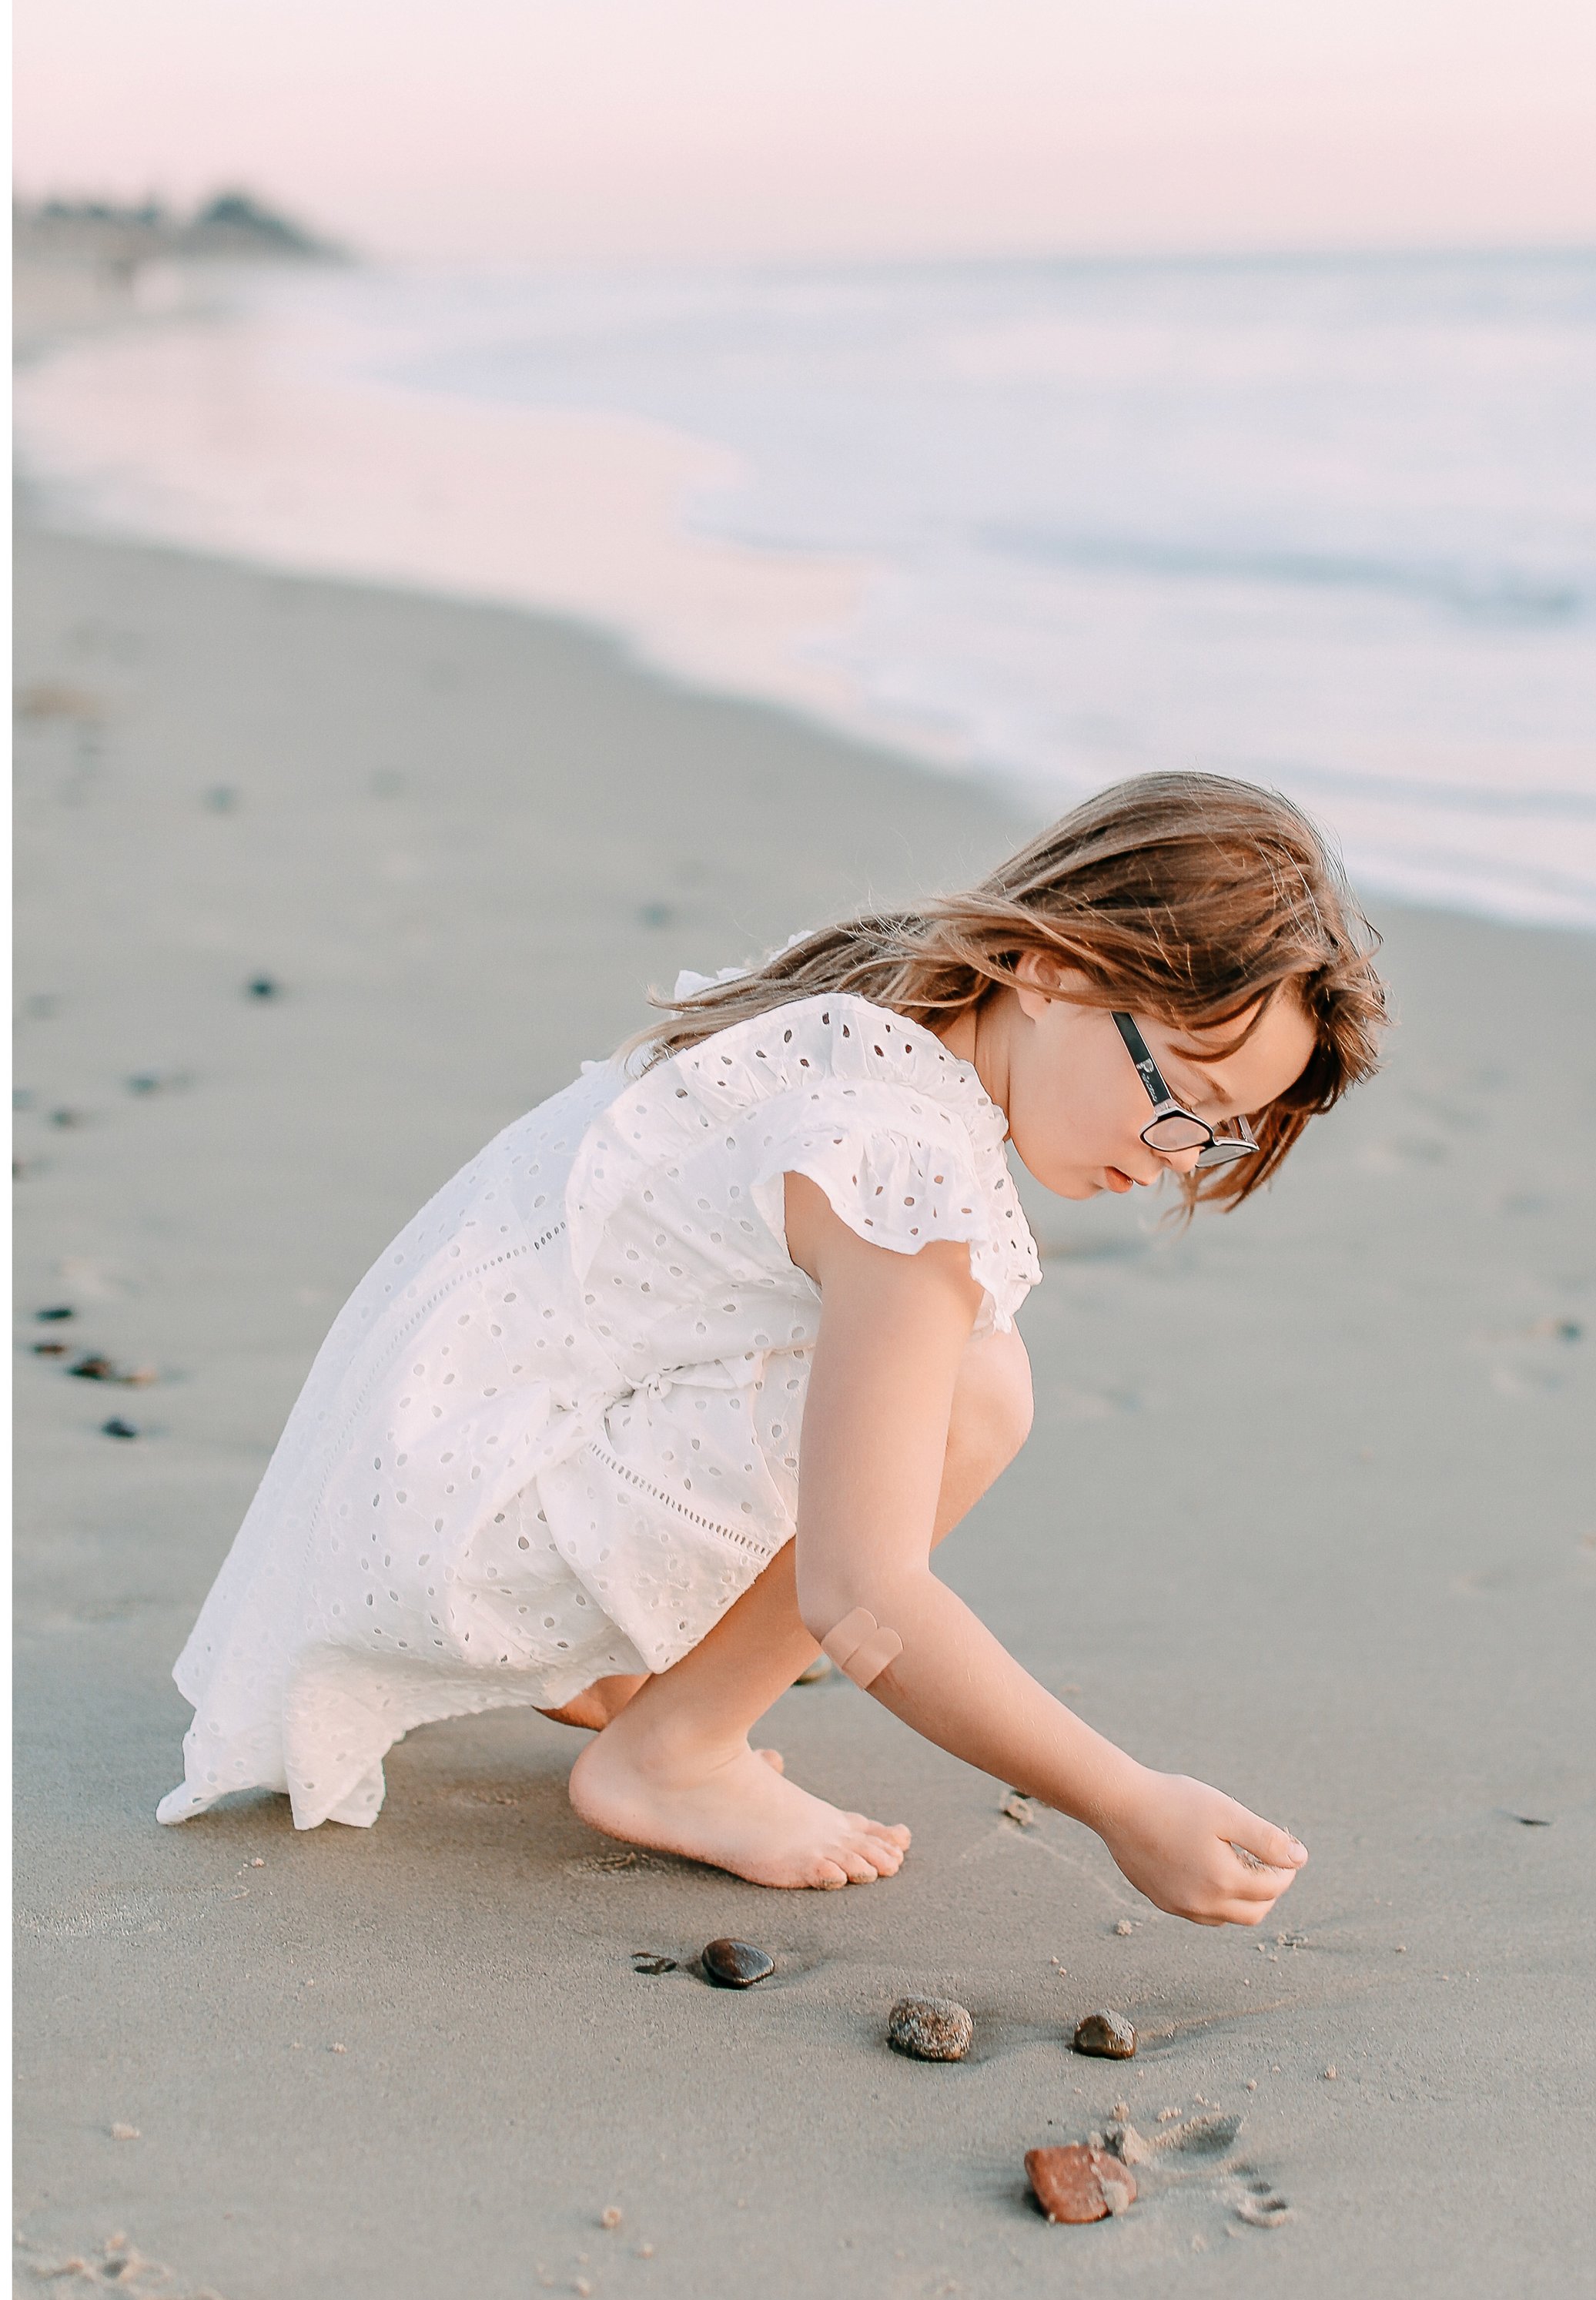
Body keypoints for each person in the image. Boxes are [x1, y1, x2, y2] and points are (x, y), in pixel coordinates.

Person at [157, 771, 1385, 1927]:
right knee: (973, 1389)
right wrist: (1125, 1800)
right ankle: (674, 1752)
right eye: (1177, 1095)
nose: (1174, 1154)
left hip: (408, 1465)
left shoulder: (874, 1002)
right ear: (1053, 969)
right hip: (449, 1529)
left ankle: (614, 1669)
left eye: (1216, 1137)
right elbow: (865, 1594)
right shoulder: (903, 1158)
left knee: (901, 1368)